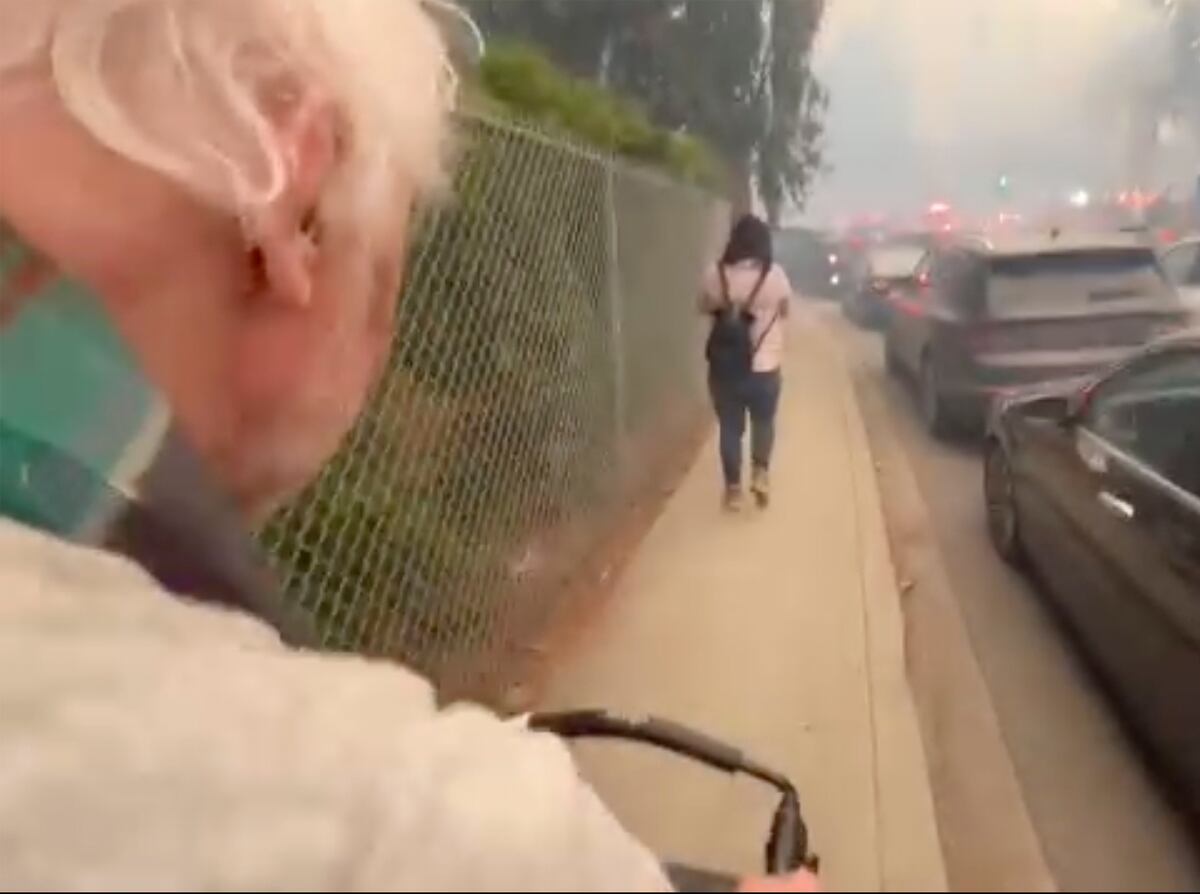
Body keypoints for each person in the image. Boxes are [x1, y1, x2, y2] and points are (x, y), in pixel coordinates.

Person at [0, 1, 812, 890]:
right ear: (295, 201)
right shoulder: (409, 823)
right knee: (753, 426)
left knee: (734, 425)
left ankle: (742, 471)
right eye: (389, 256)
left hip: (728, 372)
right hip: (763, 371)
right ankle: (756, 472)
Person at [700, 214, 793, 511]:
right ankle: (761, 474)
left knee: (730, 427)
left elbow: (702, 305)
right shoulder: (775, 275)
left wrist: (729, 307)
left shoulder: (715, 274)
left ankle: (733, 491)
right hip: (765, 365)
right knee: (764, 422)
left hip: (725, 366)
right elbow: (786, 310)